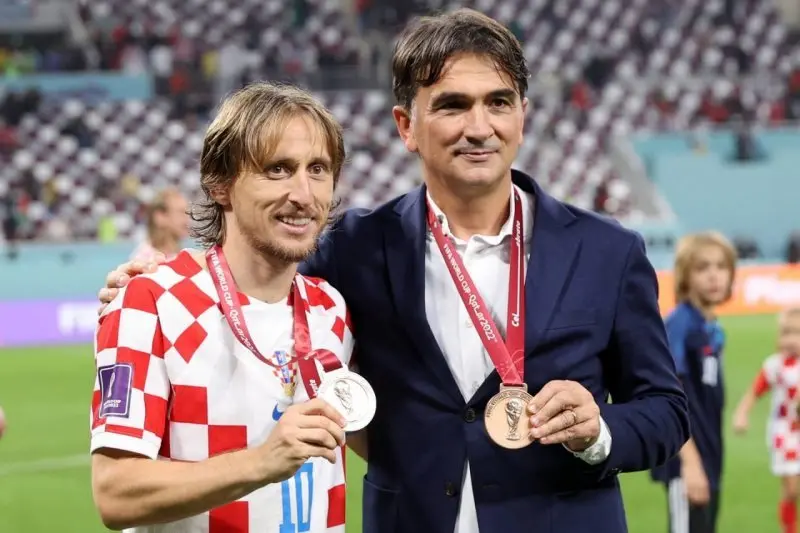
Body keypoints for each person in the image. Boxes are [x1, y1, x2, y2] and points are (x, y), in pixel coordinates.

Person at [97, 9, 688, 533]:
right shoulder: (354, 249)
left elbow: (665, 408)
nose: (479, 127)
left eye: (498, 102)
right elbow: (255, 269)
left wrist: (598, 432)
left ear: (523, 116)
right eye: (452, 105)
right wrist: (154, 282)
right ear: (406, 126)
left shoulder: (607, 251)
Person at [90, 83, 361, 533]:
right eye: (277, 169)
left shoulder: (330, 309)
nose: (303, 193)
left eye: (318, 169)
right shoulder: (150, 301)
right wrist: (261, 461)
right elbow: (116, 493)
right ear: (220, 184)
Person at [650, 231, 737, 533]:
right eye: (702, 268)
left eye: (721, 266)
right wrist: (690, 463)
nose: (714, 275)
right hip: (688, 462)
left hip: (709, 456)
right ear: (685, 276)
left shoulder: (710, 327)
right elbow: (667, 397)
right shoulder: (680, 325)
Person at [733, 307, 800, 533]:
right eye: (786, 333)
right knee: (791, 488)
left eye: (796, 333)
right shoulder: (775, 365)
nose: (790, 340)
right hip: (785, 433)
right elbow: (755, 391)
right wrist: (742, 413)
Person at [129, 187, 190, 263]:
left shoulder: (182, 256)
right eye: (181, 212)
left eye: (187, 213)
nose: (187, 218)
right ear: (160, 216)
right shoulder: (144, 262)